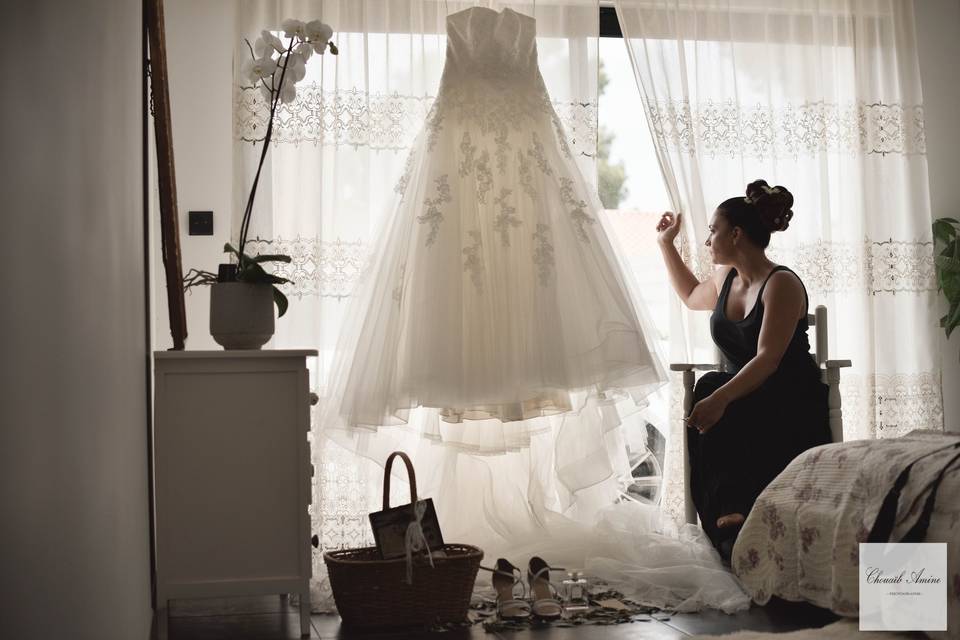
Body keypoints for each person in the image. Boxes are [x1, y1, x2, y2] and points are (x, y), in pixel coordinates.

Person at [655, 180, 832, 560]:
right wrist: (665, 245)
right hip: (743, 392)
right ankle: (725, 517)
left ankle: (736, 516)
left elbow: (768, 359)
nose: (707, 241)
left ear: (736, 234)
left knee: (715, 392)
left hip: (787, 397)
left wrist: (720, 398)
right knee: (709, 386)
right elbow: (689, 296)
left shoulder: (781, 283)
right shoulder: (725, 279)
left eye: (712, 231)